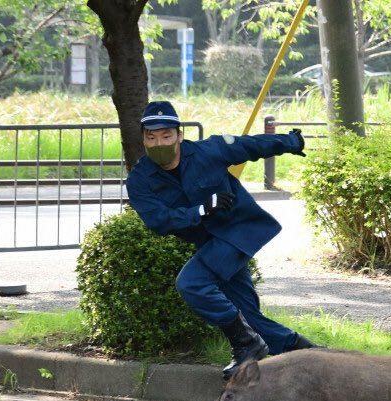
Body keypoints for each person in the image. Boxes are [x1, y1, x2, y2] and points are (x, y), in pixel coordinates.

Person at [126, 101, 319, 379]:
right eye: (151, 137)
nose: (159, 143)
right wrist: (201, 210)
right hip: (211, 242)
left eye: (166, 136)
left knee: (191, 283)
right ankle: (312, 359)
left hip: (239, 231)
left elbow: (248, 146)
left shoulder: (208, 151)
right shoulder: (141, 178)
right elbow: (158, 221)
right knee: (247, 316)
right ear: (143, 138)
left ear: (179, 135)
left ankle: (246, 344)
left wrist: (289, 141)